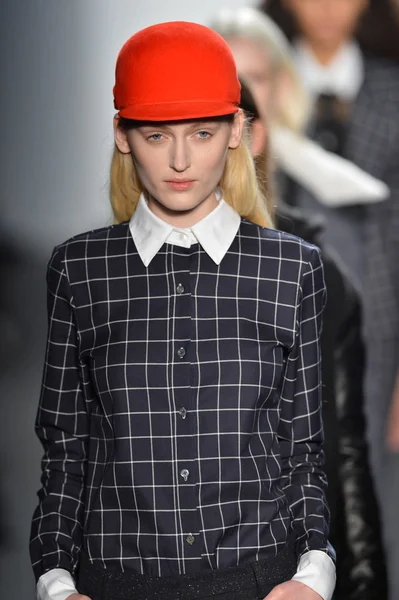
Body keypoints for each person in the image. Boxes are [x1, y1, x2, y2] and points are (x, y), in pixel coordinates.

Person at [29, 21, 336, 600]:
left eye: (200, 132)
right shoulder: (79, 270)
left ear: (237, 131)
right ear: (122, 135)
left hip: (261, 581)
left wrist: (314, 576)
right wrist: (55, 582)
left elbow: (304, 450)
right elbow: (66, 448)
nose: (177, 160)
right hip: (112, 582)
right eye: (154, 134)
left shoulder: (292, 269)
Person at [258, 3, 399, 597]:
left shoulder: (393, 91)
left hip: (383, 329)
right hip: (284, 325)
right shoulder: (265, 80)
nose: (325, 6)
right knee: (289, 493)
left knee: (378, 500)